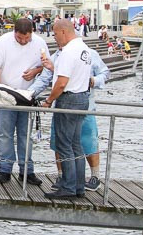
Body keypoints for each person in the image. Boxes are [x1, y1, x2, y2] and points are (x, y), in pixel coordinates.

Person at [30, 42, 111, 191]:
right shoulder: (57, 56)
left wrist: (94, 81)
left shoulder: (89, 53)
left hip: (85, 104)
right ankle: (64, 176)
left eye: (57, 35)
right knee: (59, 141)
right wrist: (28, 94)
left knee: (87, 140)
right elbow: (45, 78)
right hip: (61, 105)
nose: (56, 39)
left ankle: (95, 176)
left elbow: (105, 73)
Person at [0, 18, 47, 185]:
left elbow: (47, 66)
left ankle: (26, 170)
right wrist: (0, 90)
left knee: (25, 135)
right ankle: (5, 170)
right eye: (19, 38)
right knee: (5, 134)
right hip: (7, 95)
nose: (23, 41)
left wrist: (35, 70)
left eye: (26, 38)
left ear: (32, 33)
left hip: (27, 96)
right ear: (14, 32)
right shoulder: (3, 42)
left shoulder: (40, 42)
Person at [41, 19, 93, 198]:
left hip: (68, 99)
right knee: (76, 144)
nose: (55, 38)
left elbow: (62, 83)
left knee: (64, 145)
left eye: (55, 34)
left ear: (63, 32)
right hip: (82, 97)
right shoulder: (84, 49)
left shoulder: (68, 51)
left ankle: (68, 187)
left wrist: (48, 100)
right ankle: (79, 186)